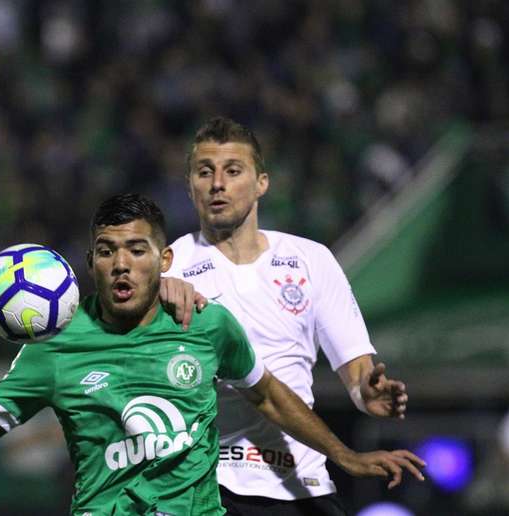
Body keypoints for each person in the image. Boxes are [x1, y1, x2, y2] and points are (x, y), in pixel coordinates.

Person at [0, 193, 424, 516]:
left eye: (136, 250)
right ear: (89, 264)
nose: (121, 264)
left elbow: (271, 398)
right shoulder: (54, 347)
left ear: (164, 260)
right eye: (106, 251)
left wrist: (345, 456)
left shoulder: (207, 324)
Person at [160, 117, 411, 515]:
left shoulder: (312, 260)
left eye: (233, 171)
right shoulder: (170, 269)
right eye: (204, 172)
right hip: (209, 487)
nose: (217, 184)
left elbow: (358, 370)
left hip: (302, 484)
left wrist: (368, 393)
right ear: (191, 187)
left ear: (262, 183)